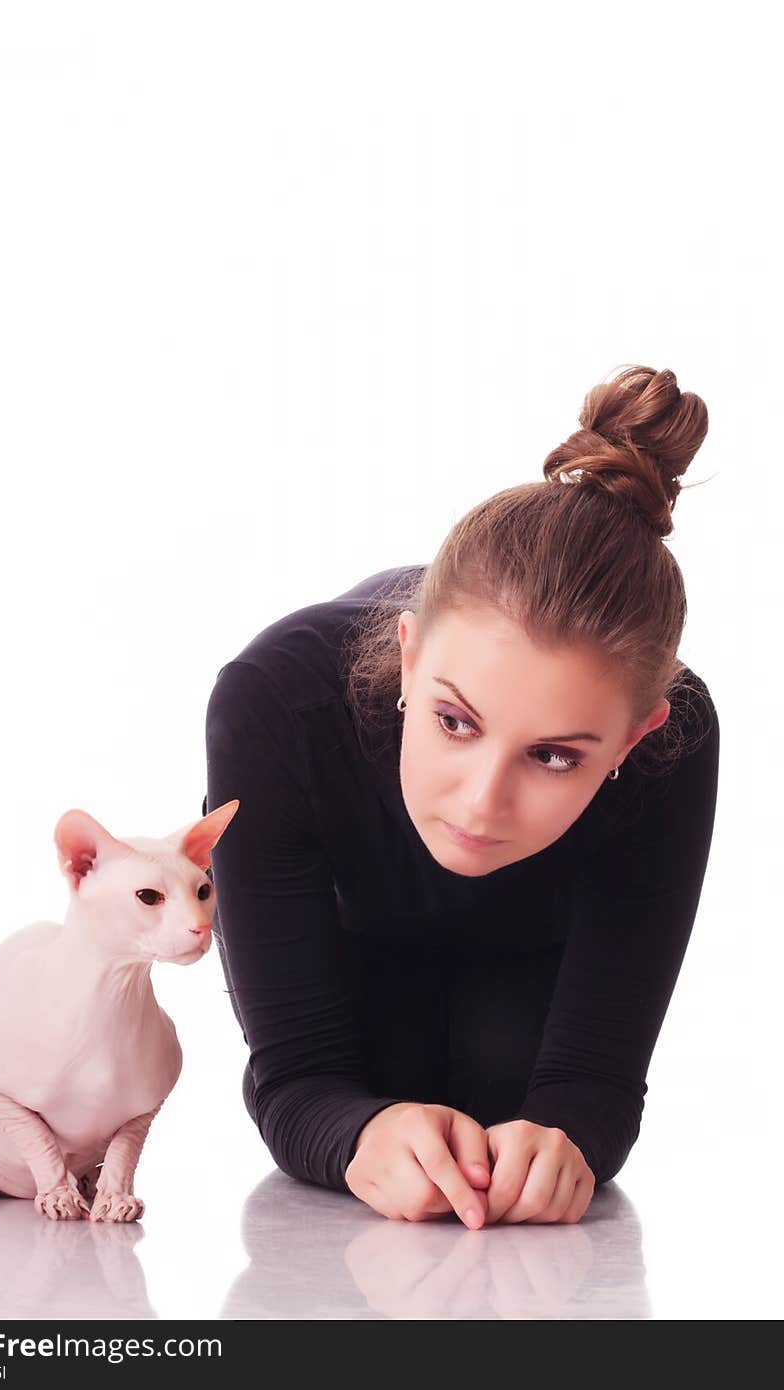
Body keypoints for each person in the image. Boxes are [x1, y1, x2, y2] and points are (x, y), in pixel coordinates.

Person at [202, 364, 720, 1229]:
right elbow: (297, 1077)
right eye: (453, 720)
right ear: (408, 659)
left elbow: (595, 1080)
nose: (482, 804)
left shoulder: (675, 740)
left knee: (498, 1072)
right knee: (401, 1066)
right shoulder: (275, 704)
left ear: (634, 740)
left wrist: (566, 1140)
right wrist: (357, 1132)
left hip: (523, 984)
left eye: (553, 757)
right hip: (360, 973)